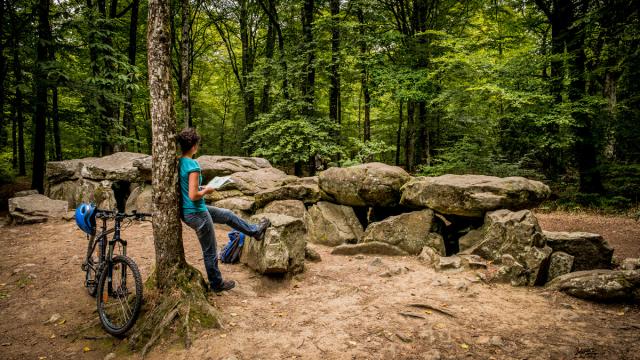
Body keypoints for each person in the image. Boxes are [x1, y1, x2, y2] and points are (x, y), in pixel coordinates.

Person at [177, 127, 270, 292]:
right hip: (197, 212)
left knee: (227, 215)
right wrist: (207, 190)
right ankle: (216, 283)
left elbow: (188, 187)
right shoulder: (193, 165)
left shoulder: (181, 162)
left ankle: (255, 231)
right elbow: (193, 195)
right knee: (210, 250)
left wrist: (201, 186)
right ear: (193, 146)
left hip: (191, 211)